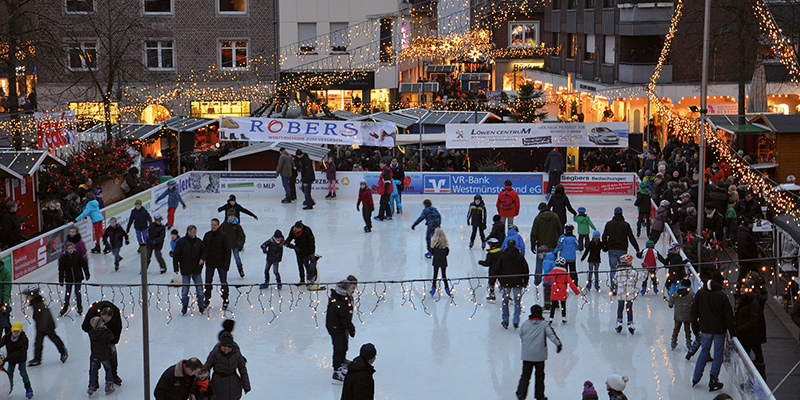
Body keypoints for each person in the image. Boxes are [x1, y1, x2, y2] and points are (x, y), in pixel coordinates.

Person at [691, 272, 735, 391]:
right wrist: (733, 332)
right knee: (718, 354)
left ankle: (696, 377)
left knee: (704, 352)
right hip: (719, 330)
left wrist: (695, 326)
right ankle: (714, 378)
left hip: (705, 329)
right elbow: (728, 316)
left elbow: (694, 310)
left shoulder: (700, 293)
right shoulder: (722, 296)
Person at [515, 304, 562, 400]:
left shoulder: (525, 324)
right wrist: (558, 344)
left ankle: (521, 394)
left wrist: (526, 344)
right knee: (539, 376)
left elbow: (521, 334)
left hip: (527, 355)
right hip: (540, 355)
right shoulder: (544, 324)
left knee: (525, 375)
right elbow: (552, 335)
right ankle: (539, 395)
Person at [205, 320, 251, 400]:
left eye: (228, 349)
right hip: (218, 384)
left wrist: (246, 386)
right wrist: (207, 386)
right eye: (224, 349)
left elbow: (242, 369)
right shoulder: (215, 353)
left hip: (234, 384)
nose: (226, 351)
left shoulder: (236, 353)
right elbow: (206, 369)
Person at [735, 272, 767, 379]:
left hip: (752, 331)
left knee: (752, 351)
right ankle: (757, 372)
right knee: (756, 351)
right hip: (752, 330)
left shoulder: (754, 301)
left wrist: (740, 328)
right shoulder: (749, 299)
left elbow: (752, 319)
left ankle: (752, 374)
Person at [491, 239, 529, 329]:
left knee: (505, 301)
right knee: (517, 302)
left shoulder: (502, 256)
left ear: (507, 246)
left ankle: (505, 319)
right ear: (515, 246)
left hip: (505, 282)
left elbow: (496, 269)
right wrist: (525, 282)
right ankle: (516, 320)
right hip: (518, 282)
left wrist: (492, 282)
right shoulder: (520, 257)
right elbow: (525, 270)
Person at [327, 276, 358, 383]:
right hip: (336, 327)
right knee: (338, 347)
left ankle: (342, 361)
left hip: (341, 326)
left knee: (344, 345)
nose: (353, 291)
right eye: (352, 288)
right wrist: (350, 327)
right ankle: (337, 370)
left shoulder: (344, 297)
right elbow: (343, 316)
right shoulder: (339, 299)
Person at [602, 207, 640, 292]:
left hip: (612, 249)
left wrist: (605, 246)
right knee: (623, 269)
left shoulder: (609, 224)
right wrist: (637, 249)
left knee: (613, 269)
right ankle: (622, 287)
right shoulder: (626, 225)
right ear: (622, 214)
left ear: (614, 213)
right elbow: (631, 238)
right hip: (623, 250)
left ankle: (614, 288)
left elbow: (604, 236)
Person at [173, 225, 206, 315]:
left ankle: (201, 305)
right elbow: (176, 255)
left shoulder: (199, 242)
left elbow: (204, 251)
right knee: (185, 290)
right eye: (193, 232)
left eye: (196, 232)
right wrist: (176, 268)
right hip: (185, 269)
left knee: (200, 290)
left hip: (196, 269)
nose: (195, 234)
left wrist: (202, 258)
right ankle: (184, 305)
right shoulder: (181, 242)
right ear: (189, 232)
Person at [203, 218, 232, 310]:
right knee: (208, 282)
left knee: (223, 282)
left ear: (218, 225)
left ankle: (225, 299)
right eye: (212, 224)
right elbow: (203, 249)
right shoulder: (207, 235)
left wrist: (226, 264)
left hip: (221, 263)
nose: (213, 226)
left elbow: (228, 251)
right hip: (210, 263)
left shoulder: (223, 236)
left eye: (215, 225)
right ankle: (207, 298)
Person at [0, 322, 33, 398]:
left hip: (21, 359)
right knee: (9, 374)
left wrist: (7, 358)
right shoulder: (7, 337)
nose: (16, 333)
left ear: (21, 331)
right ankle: (9, 387)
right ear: (11, 330)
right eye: (14, 331)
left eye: (17, 331)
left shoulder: (24, 339)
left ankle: (28, 388)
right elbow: (1, 342)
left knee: (23, 372)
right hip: (11, 359)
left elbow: (22, 351)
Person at [58, 241, 90, 316]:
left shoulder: (77, 255)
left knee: (78, 292)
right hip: (69, 278)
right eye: (69, 249)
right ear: (66, 249)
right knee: (67, 293)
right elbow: (61, 270)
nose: (70, 250)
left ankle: (79, 307)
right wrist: (61, 280)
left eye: (71, 248)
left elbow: (84, 265)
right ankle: (65, 307)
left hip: (77, 277)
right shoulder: (63, 258)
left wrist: (87, 274)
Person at [545, 257, 580, 324]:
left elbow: (546, 277)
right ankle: (564, 317)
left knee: (553, 305)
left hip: (554, 288)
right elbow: (571, 283)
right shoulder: (565, 273)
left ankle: (551, 318)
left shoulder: (553, 271)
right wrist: (576, 291)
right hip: (562, 289)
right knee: (563, 304)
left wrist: (546, 281)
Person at [87, 316, 115, 395]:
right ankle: (108, 385)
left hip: (94, 356)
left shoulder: (91, 333)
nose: (103, 323)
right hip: (104, 356)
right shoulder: (104, 333)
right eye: (102, 322)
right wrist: (106, 329)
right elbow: (111, 336)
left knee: (93, 371)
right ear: (98, 325)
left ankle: (91, 386)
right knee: (108, 369)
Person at [614, 254, 641, 334]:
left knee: (620, 307)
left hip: (621, 293)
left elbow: (615, 281)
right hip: (630, 293)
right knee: (629, 309)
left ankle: (619, 322)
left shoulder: (618, 271)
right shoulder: (633, 271)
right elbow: (640, 278)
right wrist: (645, 270)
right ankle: (630, 323)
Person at [284, 220, 317, 284]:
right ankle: (302, 280)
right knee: (300, 265)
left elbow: (312, 242)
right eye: (295, 229)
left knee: (306, 264)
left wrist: (312, 253)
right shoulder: (293, 229)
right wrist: (286, 242)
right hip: (298, 250)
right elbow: (290, 237)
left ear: (301, 228)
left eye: (298, 229)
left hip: (307, 250)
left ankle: (310, 279)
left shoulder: (307, 230)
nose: (296, 230)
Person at [669, 278, 694, 351]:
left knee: (676, 328)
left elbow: (670, 304)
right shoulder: (692, 294)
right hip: (687, 314)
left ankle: (673, 342)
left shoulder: (676, 294)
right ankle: (688, 342)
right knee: (687, 329)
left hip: (678, 315)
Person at [220, 211, 246, 278]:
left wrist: (240, 244)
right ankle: (223, 272)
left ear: (234, 217)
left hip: (235, 245)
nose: (230, 218)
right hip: (226, 246)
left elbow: (242, 236)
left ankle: (240, 270)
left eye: (232, 217)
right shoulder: (224, 225)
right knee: (225, 259)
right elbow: (219, 234)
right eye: (229, 217)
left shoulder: (237, 226)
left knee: (237, 258)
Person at [736, 219, 759, 289]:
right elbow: (743, 248)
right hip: (747, 258)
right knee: (744, 273)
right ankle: (741, 286)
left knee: (744, 273)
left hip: (747, 258)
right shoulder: (745, 235)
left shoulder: (744, 233)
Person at [429, 228, 451, 297]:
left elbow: (431, 253)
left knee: (435, 275)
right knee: (444, 275)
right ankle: (447, 289)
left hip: (436, 261)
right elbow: (447, 253)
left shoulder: (434, 246)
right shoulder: (445, 247)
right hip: (443, 261)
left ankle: (433, 289)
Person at [0, 260, 10, 338]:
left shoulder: (6, 272)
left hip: (2, 303)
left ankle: (11, 345)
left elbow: (7, 288)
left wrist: (5, 304)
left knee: (5, 324)